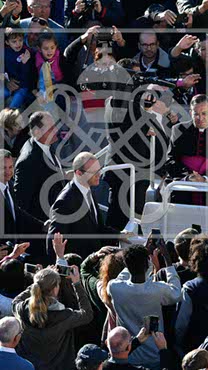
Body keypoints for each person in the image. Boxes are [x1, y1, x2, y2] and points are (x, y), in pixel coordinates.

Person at [107, 245, 181, 370]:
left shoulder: (114, 287)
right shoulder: (157, 290)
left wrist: (134, 259)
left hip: (127, 354)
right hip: (155, 353)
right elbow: (176, 293)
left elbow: (123, 276)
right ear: (147, 266)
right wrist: (167, 260)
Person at [12, 266, 93, 370]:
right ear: (55, 289)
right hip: (57, 366)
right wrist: (77, 283)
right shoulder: (64, 316)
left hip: (28, 364)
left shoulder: (22, 309)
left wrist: (38, 283)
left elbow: (15, 301)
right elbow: (87, 314)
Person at [164, 94, 208, 209]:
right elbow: (170, 160)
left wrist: (205, 179)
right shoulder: (178, 130)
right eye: (196, 114)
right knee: (178, 201)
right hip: (183, 181)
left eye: (204, 113)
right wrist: (189, 177)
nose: (200, 118)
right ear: (190, 112)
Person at [46, 152, 120, 260]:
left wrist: (120, 235)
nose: (99, 174)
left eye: (99, 170)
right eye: (93, 172)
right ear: (79, 173)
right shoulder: (65, 201)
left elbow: (98, 228)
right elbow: (54, 242)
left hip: (93, 260)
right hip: (78, 265)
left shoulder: (88, 189)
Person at [13, 112, 66, 260]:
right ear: (37, 132)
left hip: (54, 227)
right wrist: (42, 226)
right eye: (51, 128)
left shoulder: (45, 146)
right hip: (40, 237)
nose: (56, 130)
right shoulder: (28, 160)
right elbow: (22, 204)